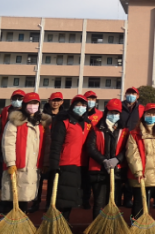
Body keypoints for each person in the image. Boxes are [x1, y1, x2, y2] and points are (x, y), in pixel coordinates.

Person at [0, 92, 51, 214]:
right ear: (25, 105)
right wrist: (10, 162)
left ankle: (21, 222)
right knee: (12, 198)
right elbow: (8, 143)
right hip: (18, 165)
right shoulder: (15, 121)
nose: (32, 106)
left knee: (25, 197)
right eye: (30, 103)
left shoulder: (42, 123)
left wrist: (45, 162)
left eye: (35, 103)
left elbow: (47, 144)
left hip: (33, 166)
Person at [49, 94, 92, 222]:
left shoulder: (88, 124)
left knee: (73, 197)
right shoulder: (64, 122)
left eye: (83, 105)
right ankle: (60, 223)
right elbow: (56, 145)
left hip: (82, 165)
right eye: (78, 104)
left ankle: (65, 222)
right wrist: (54, 165)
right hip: (66, 164)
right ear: (72, 106)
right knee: (64, 197)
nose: (81, 107)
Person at [85, 98, 130, 219]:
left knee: (114, 202)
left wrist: (117, 160)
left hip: (117, 172)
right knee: (99, 202)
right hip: (98, 171)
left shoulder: (124, 130)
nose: (113, 115)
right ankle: (97, 227)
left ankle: (112, 227)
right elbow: (90, 148)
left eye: (116, 113)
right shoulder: (96, 129)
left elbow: (127, 149)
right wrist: (103, 160)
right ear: (106, 112)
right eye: (111, 112)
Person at [125, 103, 155, 222]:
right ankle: (135, 225)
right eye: (149, 113)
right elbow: (132, 154)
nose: (151, 116)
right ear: (144, 115)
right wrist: (138, 172)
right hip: (141, 174)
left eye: (154, 113)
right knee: (138, 201)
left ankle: (145, 224)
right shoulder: (135, 133)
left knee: (148, 200)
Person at [30, 91, 65, 213]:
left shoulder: (64, 116)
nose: (55, 102)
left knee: (53, 181)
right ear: (49, 101)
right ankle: (35, 202)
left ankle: (50, 204)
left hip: (56, 153)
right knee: (37, 180)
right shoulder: (41, 115)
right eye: (53, 100)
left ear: (62, 102)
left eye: (58, 100)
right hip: (41, 151)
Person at [0, 89, 25, 213]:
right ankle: (3, 203)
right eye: (15, 98)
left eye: (20, 98)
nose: (17, 101)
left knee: (21, 177)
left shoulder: (27, 111)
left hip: (21, 147)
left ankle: (19, 204)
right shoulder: (5, 110)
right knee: (3, 176)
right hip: (5, 147)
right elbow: (0, 128)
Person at [119, 86, 144, 208]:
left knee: (132, 170)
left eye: (133, 93)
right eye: (129, 93)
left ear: (137, 96)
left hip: (134, 142)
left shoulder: (141, 109)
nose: (131, 95)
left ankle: (129, 197)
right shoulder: (119, 106)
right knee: (120, 171)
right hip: (120, 142)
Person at [81, 90, 103, 210]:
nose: (91, 101)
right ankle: (83, 200)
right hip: (81, 150)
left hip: (94, 149)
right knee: (83, 177)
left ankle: (92, 199)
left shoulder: (100, 114)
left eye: (93, 99)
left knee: (92, 177)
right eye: (89, 99)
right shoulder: (79, 114)